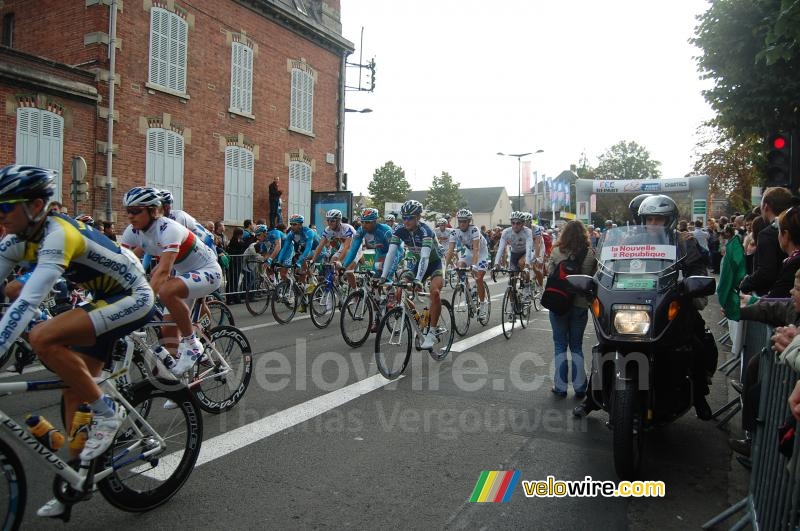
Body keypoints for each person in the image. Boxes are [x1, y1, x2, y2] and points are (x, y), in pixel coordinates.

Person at [0, 165, 156, 518]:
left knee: (43, 336)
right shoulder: (16, 241)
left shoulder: (58, 234)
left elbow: (28, 301)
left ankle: (106, 414)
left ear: (36, 204)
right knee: (74, 386)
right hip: (102, 300)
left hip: (133, 296)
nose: (0, 215)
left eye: (5, 206)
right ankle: (77, 476)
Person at [575, 195, 714, 418]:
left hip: (670, 302)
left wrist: (693, 285)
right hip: (633, 302)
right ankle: (593, 398)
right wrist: (598, 283)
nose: (653, 224)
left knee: (695, 343)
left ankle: (699, 395)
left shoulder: (684, 242)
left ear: (669, 220)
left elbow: (697, 270)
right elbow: (609, 268)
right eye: (649, 219)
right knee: (605, 348)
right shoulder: (631, 242)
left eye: (659, 219)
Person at [119, 187, 222, 376]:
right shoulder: (133, 232)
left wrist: (143, 301)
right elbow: (121, 263)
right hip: (184, 274)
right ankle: (179, 384)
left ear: (152, 211)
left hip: (208, 271)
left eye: (136, 211)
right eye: (128, 211)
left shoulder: (170, 228)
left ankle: (192, 344)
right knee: (168, 330)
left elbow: (164, 269)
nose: (130, 216)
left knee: (166, 290)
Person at [379, 200, 444, 349]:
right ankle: (418, 321)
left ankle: (432, 332)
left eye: (410, 218)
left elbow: (426, 257)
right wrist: (384, 276)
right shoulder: (400, 231)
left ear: (418, 217)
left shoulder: (426, 231)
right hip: (418, 263)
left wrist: (418, 280)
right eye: (404, 217)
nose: (406, 221)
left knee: (434, 292)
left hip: (435, 263)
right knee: (400, 288)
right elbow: (391, 253)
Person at [547, 220, 596, 398]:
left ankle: (560, 388)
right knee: (576, 346)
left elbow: (550, 274)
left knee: (560, 345)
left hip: (559, 303)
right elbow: (594, 279)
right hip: (580, 304)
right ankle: (580, 388)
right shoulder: (590, 254)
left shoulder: (556, 252)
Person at [740, 187, 793, 296]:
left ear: (765, 206)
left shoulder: (768, 234)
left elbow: (766, 273)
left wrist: (745, 283)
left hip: (773, 299)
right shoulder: (794, 227)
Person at [446, 209, 490, 318]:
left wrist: (474, 266)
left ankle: (483, 304)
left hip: (481, 254)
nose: (462, 224)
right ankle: (467, 290)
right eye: (460, 221)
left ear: (469, 221)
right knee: (460, 267)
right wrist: (444, 269)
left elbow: (476, 249)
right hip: (469, 253)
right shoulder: (454, 232)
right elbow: (450, 251)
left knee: (479, 278)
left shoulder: (474, 230)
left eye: (464, 221)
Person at [312, 209, 358, 289]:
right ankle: (335, 288)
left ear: (339, 221)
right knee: (331, 266)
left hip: (355, 247)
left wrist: (339, 261)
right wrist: (313, 260)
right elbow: (320, 246)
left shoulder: (347, 228)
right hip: (344, 246)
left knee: (348, 271)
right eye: (328, 220)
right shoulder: (328, 230)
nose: (329, 223)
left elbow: (347, 247)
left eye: (332, 220)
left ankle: (355, 291)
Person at [495, 211, 534, 298]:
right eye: (513, 223)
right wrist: (496, 263)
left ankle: (527, 286)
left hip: (525, 253)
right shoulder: (506, 232)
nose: (515, 225)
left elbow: (528, 249)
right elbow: (501, 248)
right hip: (514, 254)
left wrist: (527, 264)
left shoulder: (528, 232)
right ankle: (513, 305)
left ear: (523, 223)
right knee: (512, 281)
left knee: (522, 263)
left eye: (518, 223)